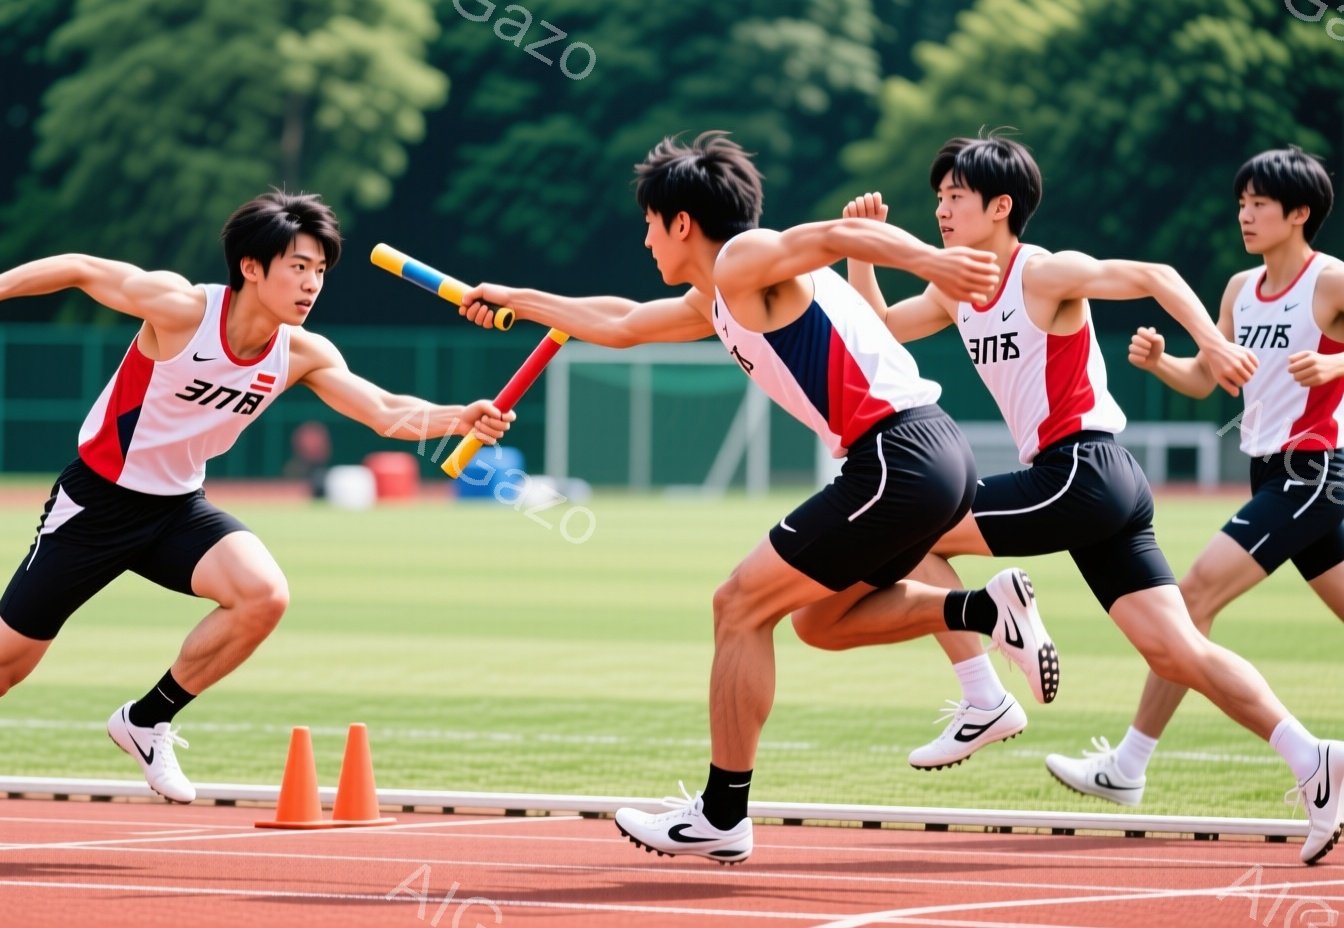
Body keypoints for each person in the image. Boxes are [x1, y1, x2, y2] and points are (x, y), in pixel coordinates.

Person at [0, 191, 514, 857]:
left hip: (177, 507)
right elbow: (79, 268)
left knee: (263, 595)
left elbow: (384, 410)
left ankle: (147, 718)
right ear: (252, 267)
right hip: (96, 505)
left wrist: (460, 417)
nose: (310, 285)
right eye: (297, 267)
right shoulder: (181, 308)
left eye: (320, 272)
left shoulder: (302, 352)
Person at [459, 131, 1057, 866]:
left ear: (683, 222)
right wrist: (513, 299)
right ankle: (983, 611)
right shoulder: (718, 298)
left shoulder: (744, 258)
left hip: (897, 457)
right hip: (927, 458)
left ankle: (721, 813)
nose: (645, 238)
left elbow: (835, 233)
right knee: (820, 623)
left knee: (737, 605)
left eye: (650, 222)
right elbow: (619, 324)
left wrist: (932, 262)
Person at [832, 136, 1342, 865]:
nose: (941, 209)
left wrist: (1210, 343)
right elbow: (876, 331)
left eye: (956, 197)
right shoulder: (953, 289)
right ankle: (1312, 754)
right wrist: (865, 252)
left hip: (1083, 471)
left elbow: (1156, 274)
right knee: (1177, 647)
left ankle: (983, 694)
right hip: (1097, 486)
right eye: (937, 197)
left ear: (1000, 207)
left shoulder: (1043, 272)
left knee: (915, 528)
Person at [1044, 147, 1344, 823]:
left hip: (1314, 470)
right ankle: (1128, 766)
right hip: (1270, 470)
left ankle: (1128, 765)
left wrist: (1336, 368)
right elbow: (1211, 380)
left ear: (1299, 213)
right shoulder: (1240, 289)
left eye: (1259, 203)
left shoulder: (1331, 283)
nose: (1244, 214)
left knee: (1192, 597)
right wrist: (1161, 364)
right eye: (1241, 202)